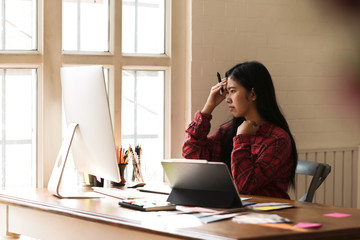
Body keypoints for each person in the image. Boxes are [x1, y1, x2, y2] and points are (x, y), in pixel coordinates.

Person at [182, 61, 297, 199]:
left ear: (253, 94)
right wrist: (208, 107)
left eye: (233, 91)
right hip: (234, 210)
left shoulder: (277, 139)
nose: (227, 99)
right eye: (227, 92)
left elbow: (244, 185)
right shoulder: (228, 131)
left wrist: (242, 139)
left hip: (267, 214)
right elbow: (191, 153)